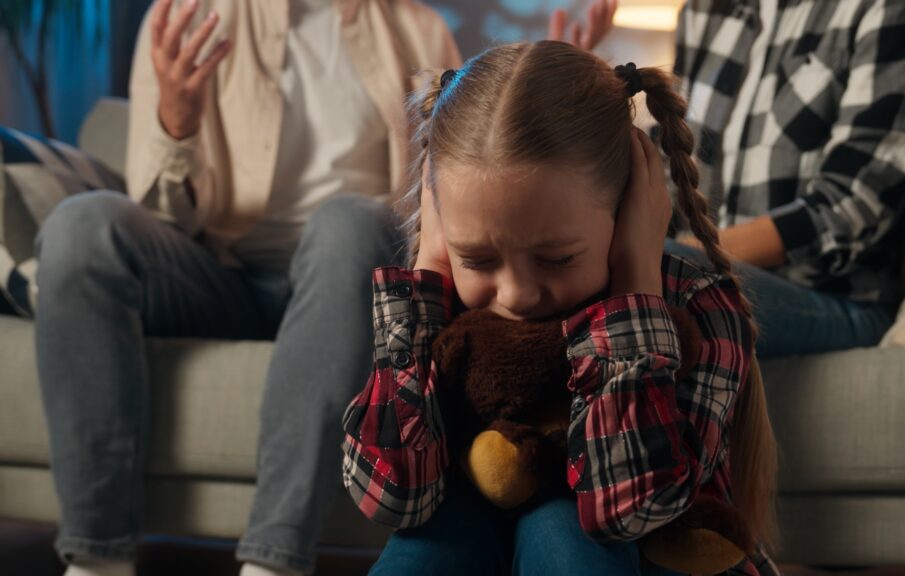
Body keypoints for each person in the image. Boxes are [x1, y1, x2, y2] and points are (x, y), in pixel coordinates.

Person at [32, 0, 615, 575]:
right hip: (220, 270)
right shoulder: (188, 16)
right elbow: (161, 218)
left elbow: (461, 185)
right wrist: (175, 126)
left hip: (351, 271)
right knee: (81, 225)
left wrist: (554, 123)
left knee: (347, 221)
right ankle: (96, 556)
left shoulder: (419, 31)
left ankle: (272, 560)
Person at [341, 41, 779, 575]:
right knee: (429, 541)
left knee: (560, 524)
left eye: (554, 259)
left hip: (634, 555)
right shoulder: (439, 300)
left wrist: (634, 288)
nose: (518, 294)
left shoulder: (699, 306)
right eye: (477, 257)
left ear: (628, 207)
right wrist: (430, 271)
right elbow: (394, 497)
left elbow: (631, 508)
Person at [665, 0, 905, 357]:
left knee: (659, 272)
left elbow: (854, 203)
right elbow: (671, 169)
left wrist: (693, 251)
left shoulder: (887, 7)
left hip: (832, 297)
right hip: (706, 265)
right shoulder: (706, 10)